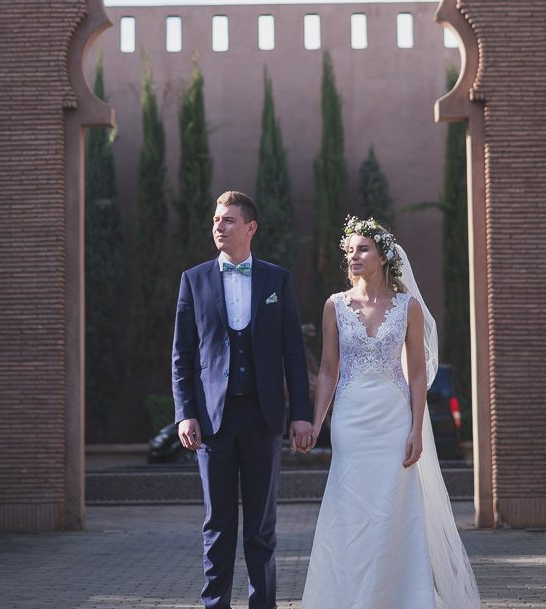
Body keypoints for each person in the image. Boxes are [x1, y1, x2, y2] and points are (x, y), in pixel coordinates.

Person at [300, 215, 481, 609]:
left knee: (393, 509)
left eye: (362, 249)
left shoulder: (407, 307)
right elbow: (329, 369)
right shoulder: (334, 306)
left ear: (382, 255)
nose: (353, 257)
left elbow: (417, 374)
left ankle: (401, 598)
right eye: (349, 251)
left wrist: (416, 428)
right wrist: (317, 422)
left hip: (394, 419)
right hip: (350, 420)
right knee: (351, 507)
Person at [172, 190, 313, 609]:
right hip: (213, 420)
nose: (219, 226)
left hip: (264, 416)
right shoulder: (193, 279)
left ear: (250, 228)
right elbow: (182, 355)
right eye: (216, 219)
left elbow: (292, 352)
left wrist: (300, 416)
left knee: (261, 527)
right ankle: (215, 605)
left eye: (229, 220)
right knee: (217, 523)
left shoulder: (277, 279)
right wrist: (184, 414)